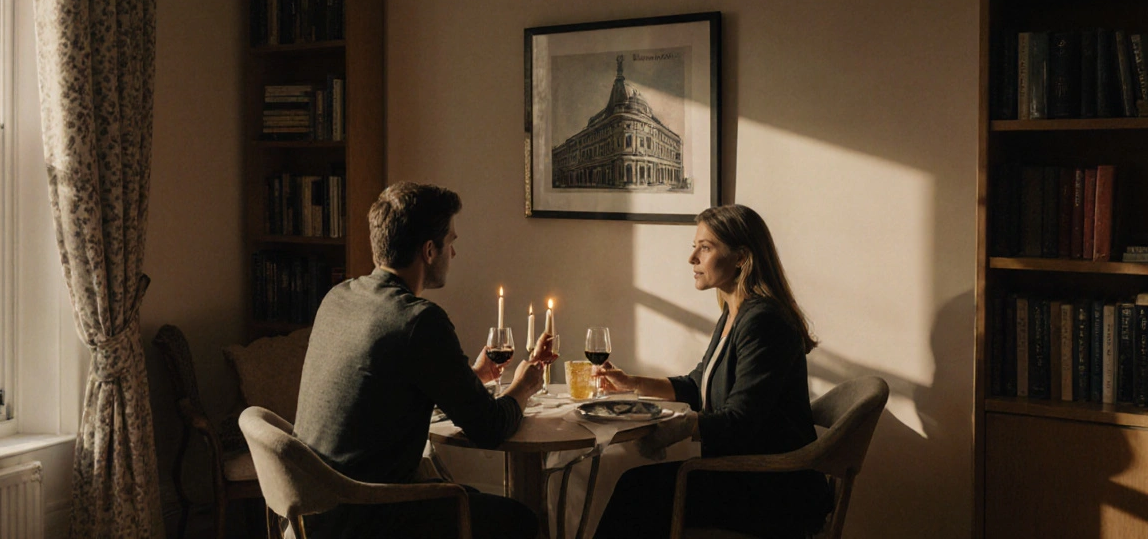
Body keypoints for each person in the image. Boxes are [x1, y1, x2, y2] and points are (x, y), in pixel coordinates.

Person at [295, 181, 555, 539]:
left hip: (315, 514)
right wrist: (523, 387)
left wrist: (471, 377)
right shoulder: (419, 320)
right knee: (521, 519)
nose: (454, 253)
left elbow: (388, 390)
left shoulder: (338, 297)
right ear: (429, 250)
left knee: (474, 499)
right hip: (371, 517)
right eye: (451, 242)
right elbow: (489, 429)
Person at [590, 204, 833, 539]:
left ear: (741, 258)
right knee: (640, 490)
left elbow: (739, 421)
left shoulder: (763, 321)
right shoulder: (735, 314)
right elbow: (696, 384)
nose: (692, 259)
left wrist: (677, 426)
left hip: (773, 489)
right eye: (695, 247)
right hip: (743, 476)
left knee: (638, 490)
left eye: (705, 248)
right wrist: (630, 383)